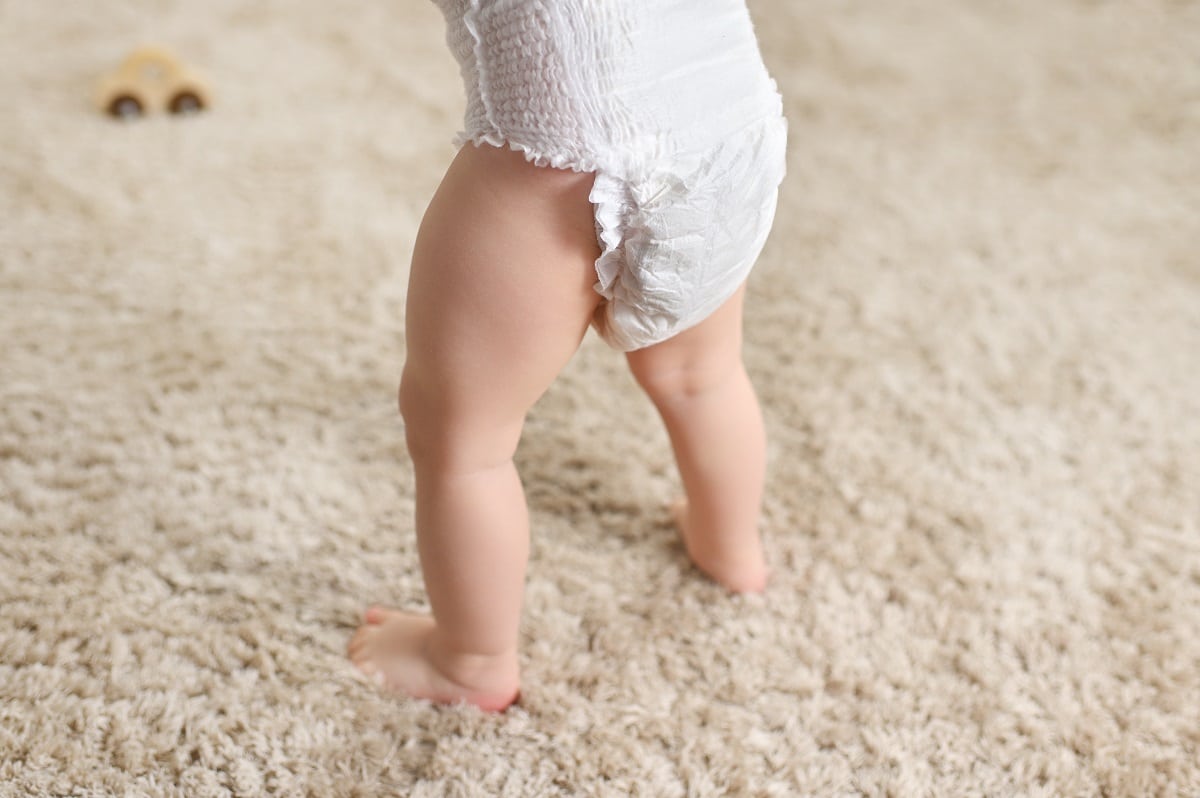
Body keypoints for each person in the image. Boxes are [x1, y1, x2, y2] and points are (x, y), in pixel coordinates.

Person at [348, 0, 788, 711]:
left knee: (463, 439)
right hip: (722, 125)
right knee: (703, 374)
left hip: (557, 153)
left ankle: (469, 661)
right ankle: (730, 547)